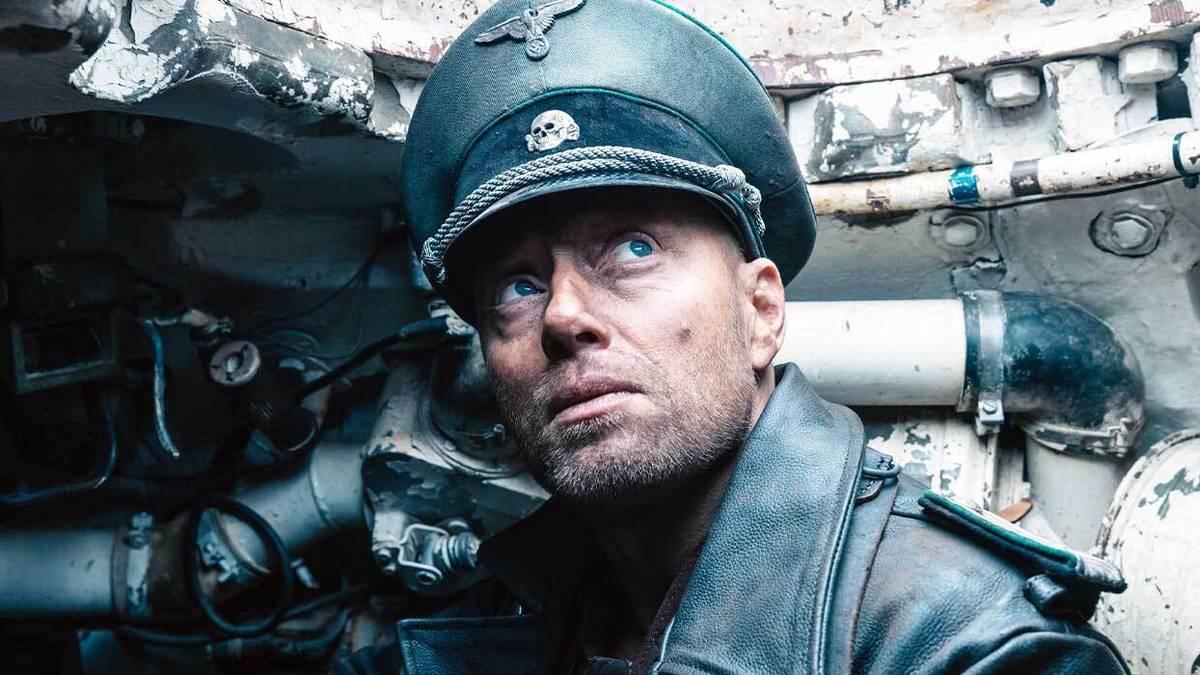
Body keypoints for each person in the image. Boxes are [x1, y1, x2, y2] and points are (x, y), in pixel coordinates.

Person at [353, 0, 1132, 672]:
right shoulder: (494, 617)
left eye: (632, 249)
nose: (562, 315)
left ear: (761, 310)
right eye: (517, 286)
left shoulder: (965, 647)